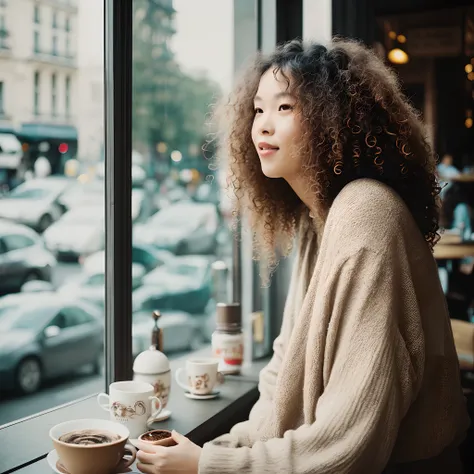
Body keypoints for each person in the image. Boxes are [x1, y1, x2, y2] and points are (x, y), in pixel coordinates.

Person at [134, 39, 470, 474]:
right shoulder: (321, 219)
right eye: (257, 109)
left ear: (335, 117)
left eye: (285, 107)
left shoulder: (365, 213)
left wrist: (209, 465)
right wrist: (223, 448)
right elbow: (281, 371)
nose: (263, 127)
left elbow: (351, 443)